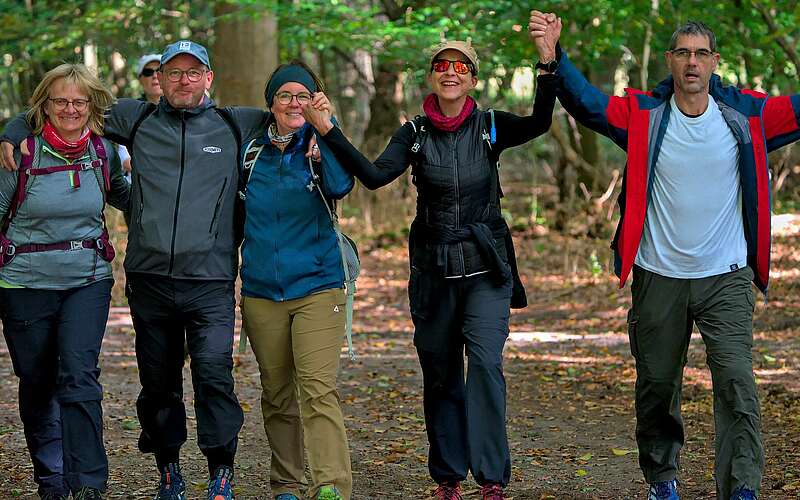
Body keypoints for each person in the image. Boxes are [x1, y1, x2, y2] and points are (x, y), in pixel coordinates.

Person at [529, 12, 800, 500]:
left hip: (728, 275)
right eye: (683, 53)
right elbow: (589, 105)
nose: (692, 62)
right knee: (656, 385)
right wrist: (553, 57)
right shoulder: (644, 115)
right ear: (670, 61)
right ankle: (663, 480)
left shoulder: (749, 115)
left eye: (701, 53)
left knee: (737, 381)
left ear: (715, 63)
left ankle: (741, 488)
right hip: (659, 274)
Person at [1, 40, 270, 500]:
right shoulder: (136, 118)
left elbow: (295, 114)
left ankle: (220, 469)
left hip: (210, 278)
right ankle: (168, 470)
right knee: (158, 382)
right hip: (147, 279)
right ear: (158, 80)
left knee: (213, 373)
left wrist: (320, 137)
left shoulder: (235, 122)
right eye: (173, 72)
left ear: (208, 78)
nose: (183, 80)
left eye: (193, 72)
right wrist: (10, 131)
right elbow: (63, 107)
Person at [302, 40, 556, 500]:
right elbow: (376, 176)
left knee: (484, 365)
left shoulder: (490, 127)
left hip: (484, 269)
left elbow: (540, 121)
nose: (450, 72)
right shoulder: (414, 133)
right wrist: (329, 130)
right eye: (441, 65)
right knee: (440, 374)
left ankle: (492, 479)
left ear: (472, 78)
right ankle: (448, 477)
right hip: (433, 274)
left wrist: (547, 62)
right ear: (432, 76)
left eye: (460, 66)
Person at [0, 64, 129, 499]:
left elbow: (134, 201)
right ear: (44, 105)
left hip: (87, 281)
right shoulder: (17, 154)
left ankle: (89, 483)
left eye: (79, 101)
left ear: (92, 106)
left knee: (79, 376)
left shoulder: (103, 153)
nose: (71, 109)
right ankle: (53, 480)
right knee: (37, 382)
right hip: (24, 285)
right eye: (61, 101)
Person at [238, 61, 354, 500]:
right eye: (284, 95)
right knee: (277, 393)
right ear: (271, 103)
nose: (293, 103)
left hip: (319, 287)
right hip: (261, 293)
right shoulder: (251, 151)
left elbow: (342, 187)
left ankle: (330, 486)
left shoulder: (321, 143)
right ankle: (287, 483)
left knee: (318, 389)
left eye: (302, 95)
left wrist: (326, 138)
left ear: (315, 101)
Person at [117, 53, 162, 181]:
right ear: (140, 79)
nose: (154, 76)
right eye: (148, 72)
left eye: (159, 71)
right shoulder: (130, 112)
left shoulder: (184, 111)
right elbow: (126, 161)